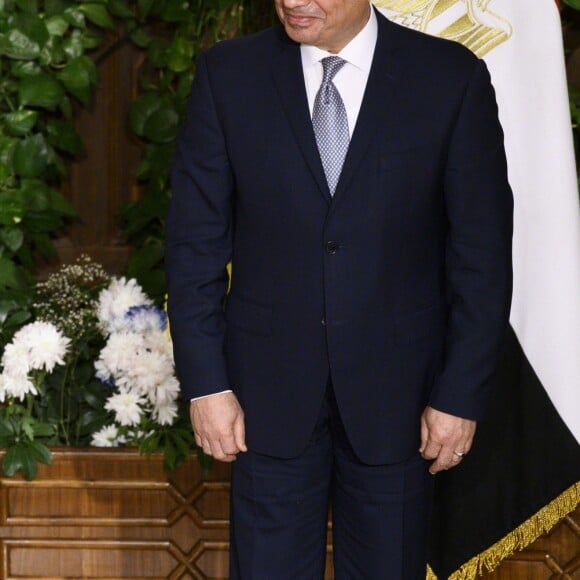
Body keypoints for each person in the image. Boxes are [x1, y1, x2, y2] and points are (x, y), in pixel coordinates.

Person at [166, 0, 513, 577]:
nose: (294, 2)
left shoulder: (450, 77)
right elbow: (193, 245)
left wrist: (459, 394)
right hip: (263, 403)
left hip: (404, 404)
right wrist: (206, 384)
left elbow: (481, 257)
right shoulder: (228, 75)